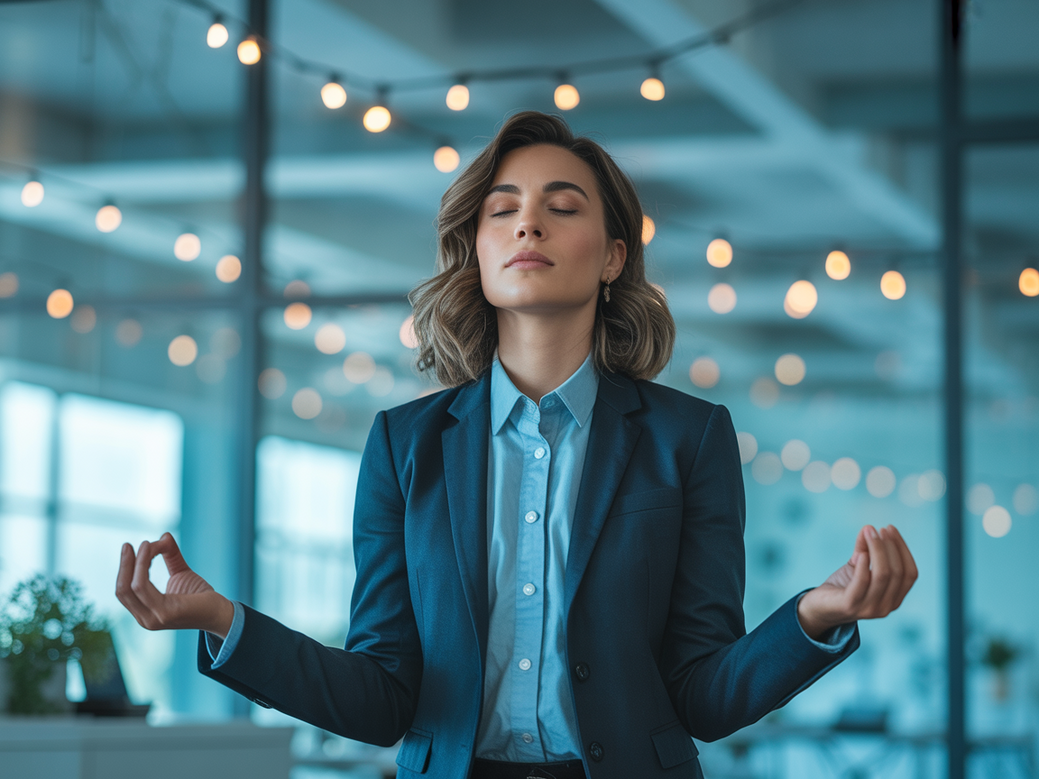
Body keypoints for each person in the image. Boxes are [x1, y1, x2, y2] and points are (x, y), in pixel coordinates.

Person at [116, 111, 918, 779]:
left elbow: (703, 697)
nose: (527, 221)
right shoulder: (403, 444)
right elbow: (381, 697)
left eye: (562, 205)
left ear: (612, 256)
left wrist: (815, 615)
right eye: (501, 208)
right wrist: (224, 619)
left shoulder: (687, 438)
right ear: (477, 249)